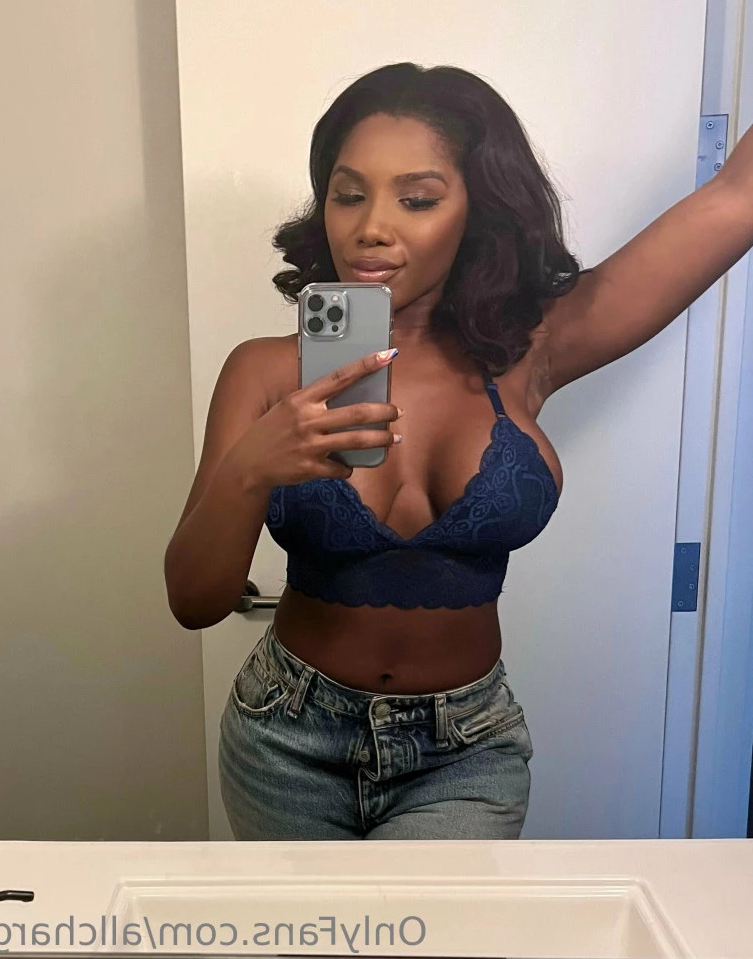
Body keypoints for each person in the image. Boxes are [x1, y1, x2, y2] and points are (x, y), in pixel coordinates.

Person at [164, 63, 753, 840]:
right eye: (348, 194)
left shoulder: (531, 350)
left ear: (477, 210)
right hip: (285, 738)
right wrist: (249, 469)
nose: (370, 227)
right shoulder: (264, 371)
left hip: (463, 750)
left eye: (416, 199)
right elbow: (194, 603)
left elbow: (734, 199)